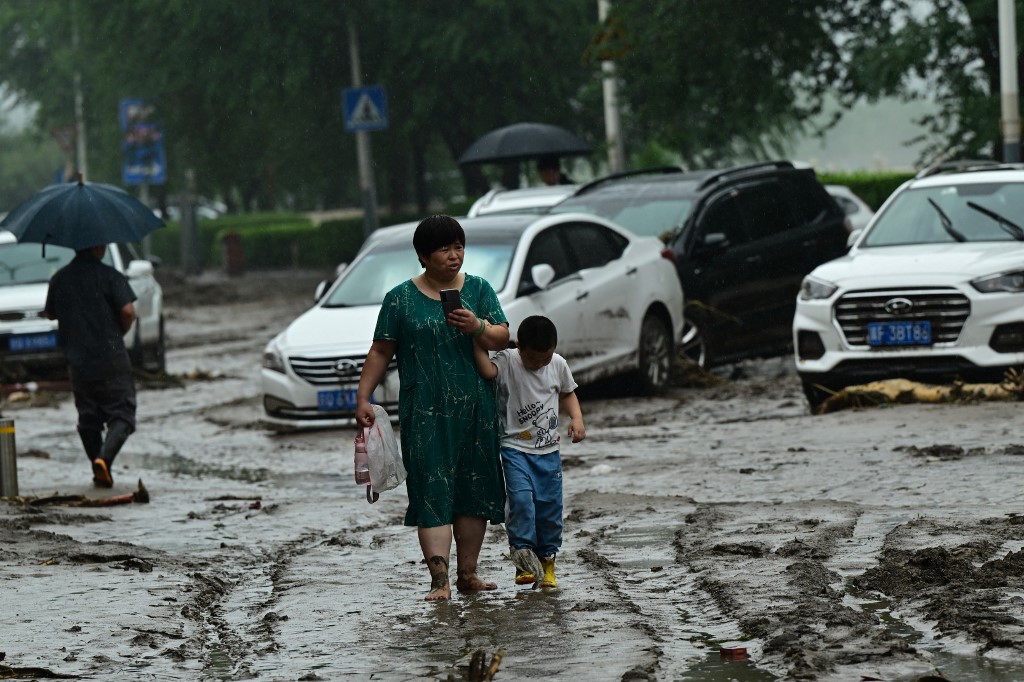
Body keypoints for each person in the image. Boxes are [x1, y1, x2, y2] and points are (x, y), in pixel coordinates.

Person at [355, 214, 511, 601]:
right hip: (424, 411)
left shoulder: (479, 289)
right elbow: (380, 350)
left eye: (459, 247)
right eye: (444, 249)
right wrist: (363, 397)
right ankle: (439, 582)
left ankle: (468, 574)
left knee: (473, 489)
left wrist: (476, 326)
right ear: (423, 256)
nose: (454, 255)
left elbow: (503, 337)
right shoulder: (400, 298)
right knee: (431, 490)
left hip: (475, 408)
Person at [472, 315, 585, 589]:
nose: (539, 365)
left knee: (550, 507)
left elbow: (568, 393)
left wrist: (577, 419)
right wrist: (474, 337)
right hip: (514, 449)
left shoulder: (557, 364)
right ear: (519, 345)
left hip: (548, 452)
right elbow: (487, 371)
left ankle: (547, 561)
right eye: (533, 359)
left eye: (544, 359)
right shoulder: (508, 360)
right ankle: (523, 560)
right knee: (521, 502)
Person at [45, 243, 138, 488]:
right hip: (111, 358)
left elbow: (50, 313)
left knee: (89, 418)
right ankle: (104, 461)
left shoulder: (60, 278)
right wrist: (119, 331)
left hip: (77, 361)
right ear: (98, 247)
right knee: (122, 413)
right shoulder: (111, 276)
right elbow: (128, 311)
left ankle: (99, 470)